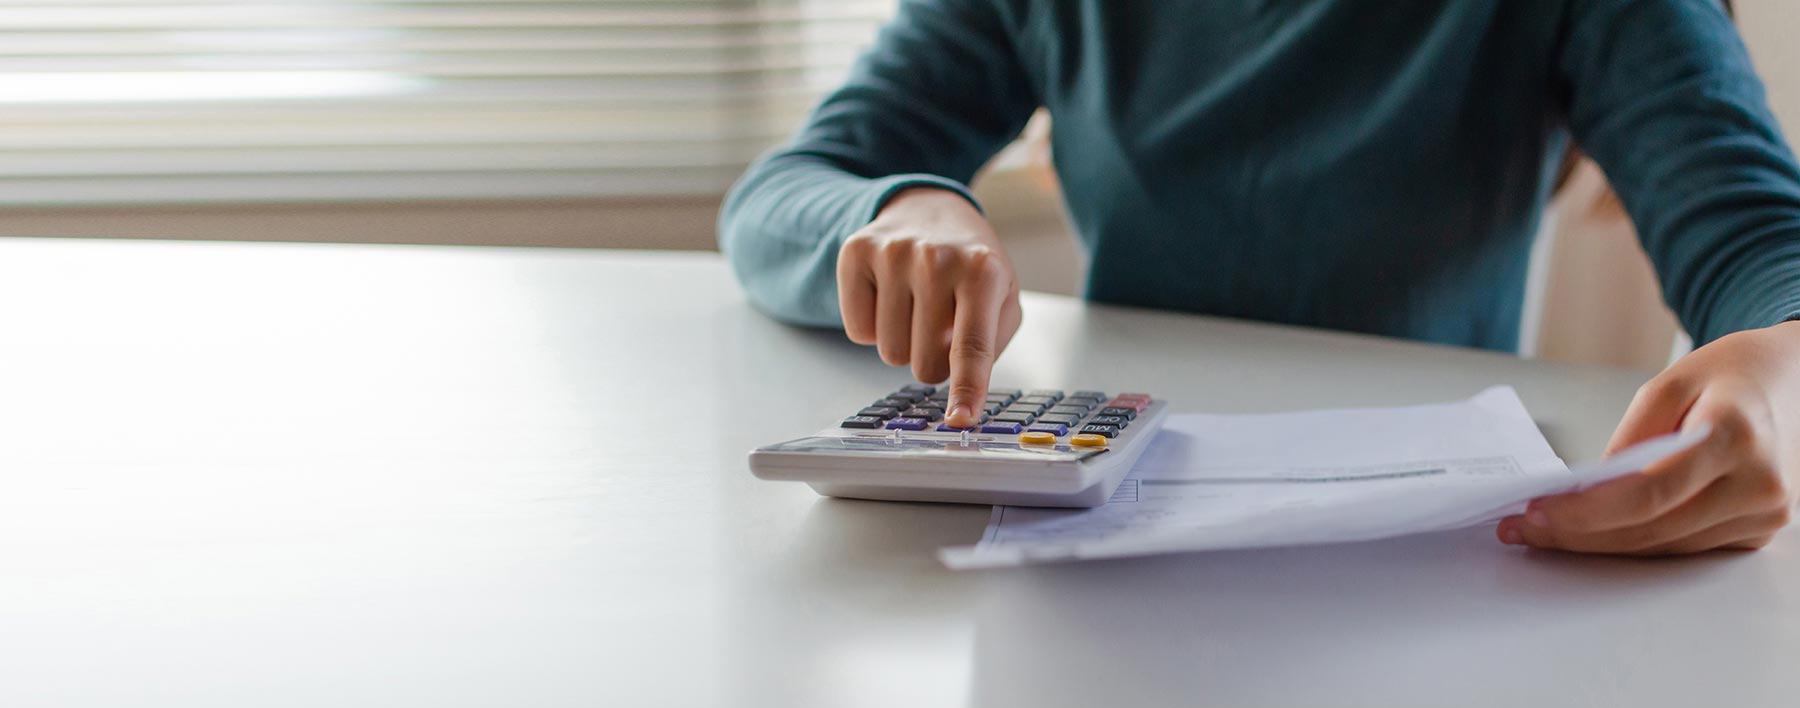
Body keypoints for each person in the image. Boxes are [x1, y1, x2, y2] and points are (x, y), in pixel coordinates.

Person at [717, 0, 1800, 556]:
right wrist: (900, 205)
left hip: (1426, 556)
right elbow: (784, 191)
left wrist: (1778, 370)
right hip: (1097, 555)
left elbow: (1764, 240)